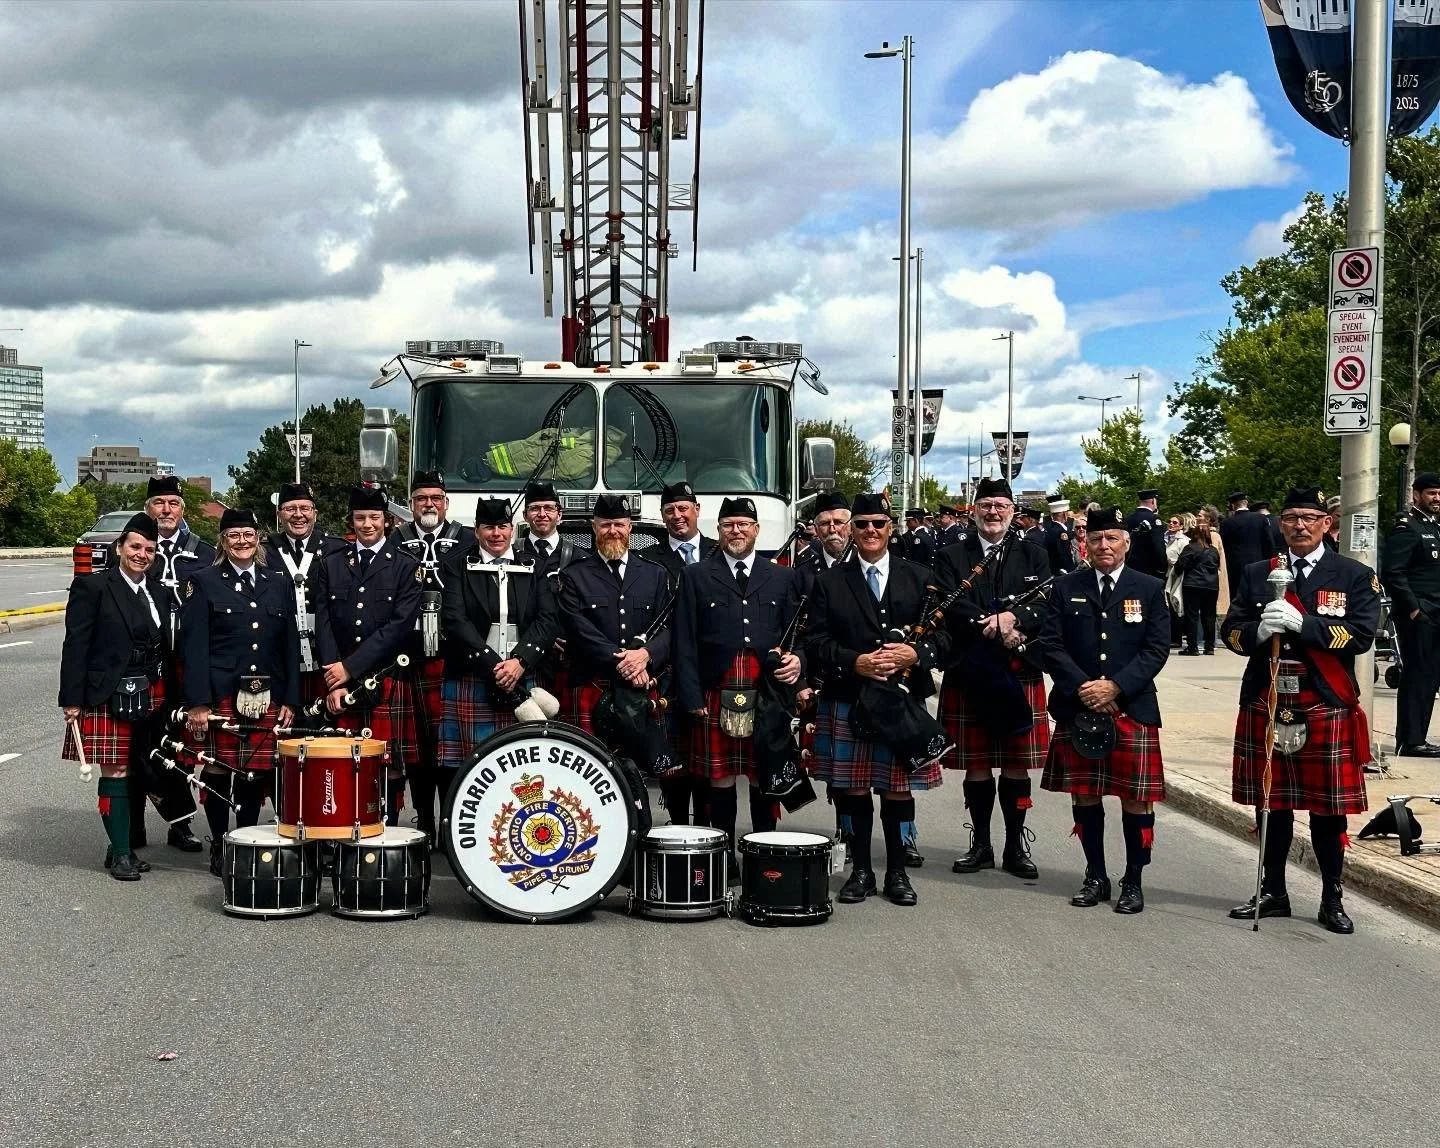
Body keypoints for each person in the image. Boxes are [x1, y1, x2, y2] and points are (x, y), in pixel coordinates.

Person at [1222, 486, 1378, 934]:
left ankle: (1332, 896)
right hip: (1267, 696)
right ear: (1280, 524)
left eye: (1310, 517)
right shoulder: (1257, 573)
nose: (1300, 526)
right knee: (1270, 804)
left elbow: (1363, 635)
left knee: (1328, 811)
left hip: (1323, 697)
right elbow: (1232, 632)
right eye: (1291, 518)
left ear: (1327, 523)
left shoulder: (1351, 574)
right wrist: (1256, 631)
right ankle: (1273, 890)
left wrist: (1305, 625)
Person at [805, 492, 948, 906]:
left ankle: (898, 872)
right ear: (851, 529)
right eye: (862, 524)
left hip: (900, 701)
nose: (870, 531)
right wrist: (857, 662)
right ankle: (862, 871)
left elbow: (946, 638)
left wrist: (916, 654)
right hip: (849, 695)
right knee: (852, 789)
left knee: (897, 790)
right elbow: (815, 642)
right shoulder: (829, 582)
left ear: (891, 528)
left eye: (879, 524)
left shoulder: (920, 577)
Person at [1038, 507, 1171, 914]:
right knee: (1085, 795)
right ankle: (1095, 874)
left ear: (1126, 543)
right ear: (1085, 543)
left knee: (1135, 799)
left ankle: (1134, 878)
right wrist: (1083, 687)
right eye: (1096, 539)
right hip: (1078, 707)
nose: (1104, 546)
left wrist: (1116, 686)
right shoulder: (1065, 587)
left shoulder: (1149, 588)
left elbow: (1156, 648)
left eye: (1112, 538)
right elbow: (1049, 644)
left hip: (1132, 708)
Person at [674, 497, 804, 876]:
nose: (736, 531)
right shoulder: (697, 575)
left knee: (764, 771)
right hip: (718, 684)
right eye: (729, 524)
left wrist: (799, 673)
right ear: (719, 531)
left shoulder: (780, 575)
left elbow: (797, 635)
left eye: (743, 525)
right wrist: (692, 695)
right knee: (720, 776)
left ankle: (764, 851)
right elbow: (685, 641)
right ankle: (723, 855)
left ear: (756, 530)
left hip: (764, 687)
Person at [933, 477, 1052, 881]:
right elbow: (948, 603)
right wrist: (992, 623)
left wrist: (1015, 619)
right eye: (986, 505)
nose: (993, 512)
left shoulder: (1035, 554)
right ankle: (981, 844)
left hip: (1020, 668)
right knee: (978, 766)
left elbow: (1046, 602)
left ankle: (1016, 846)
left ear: (1012, 510)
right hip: (971, 667)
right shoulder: (951, 554)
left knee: (1016, 766)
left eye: (1001, 505)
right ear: (974, 510)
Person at [180, 508, 300, 874]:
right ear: (222, 541)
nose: (242, 541)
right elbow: (194, 647)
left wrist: (291, 698)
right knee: (218, 771)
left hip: (267, 693)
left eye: (248, 534)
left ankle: (244, 839)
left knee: (254, 773)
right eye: (234, 535)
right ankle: (219, 842)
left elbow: (290, 645)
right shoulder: (203, 581)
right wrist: (199, 703)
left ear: (258, 537)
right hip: (222, 693)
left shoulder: (277, 581)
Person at [60, 513, 174, 881]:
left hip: (152, 691)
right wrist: (72, 699)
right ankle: (123, 853)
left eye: (149, 549)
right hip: (108, 690)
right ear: (120, 547)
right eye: (135, 547)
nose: (142, 554)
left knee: (141, 768)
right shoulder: (93, 587)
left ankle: (118, 844)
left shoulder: (158, 589)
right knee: (117, 769)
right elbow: (76, 644)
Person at [313, 486, 423, 825]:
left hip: (386, 674)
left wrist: (350, 667)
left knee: (386, 763)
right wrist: (334, 677)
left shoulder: (405, 566)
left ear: (386, 522)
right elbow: (324, 620)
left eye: (374, 517)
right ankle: (342, 826)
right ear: (352, 520)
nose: (367, 524)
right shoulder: (331, 564)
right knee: (342, 758)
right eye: (360, 518)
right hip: (340, 677)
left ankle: (385, 826)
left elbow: (400, 626)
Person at [437, 498, 558, 805]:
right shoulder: (455, 564)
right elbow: (455, 620)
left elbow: (547, 620)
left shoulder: (534, 564)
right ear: (476, 530)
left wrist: (519, 661)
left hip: (522, 673)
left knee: (525, 766)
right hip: (473, 674)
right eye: (488, 527)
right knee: (471, 768)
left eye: (502, 527)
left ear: (512, 529)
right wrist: (495, 665)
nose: (496, 534)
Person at [390, 471, 468, 839]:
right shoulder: (396, 540)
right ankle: (424, 817)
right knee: (419, 748)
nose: (429, 504)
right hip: (411, 657)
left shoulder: (466, 540)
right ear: (411, 505)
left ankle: (451, 819)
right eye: (421, 498)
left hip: (454, 656)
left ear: (446, 502)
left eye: (436, 498)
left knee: (451, 747)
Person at [555, 494, 671, 736]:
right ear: (594, 526)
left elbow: (667, 626)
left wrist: (645, 656)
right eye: (606, 524)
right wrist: (626, 663)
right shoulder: (574, 575)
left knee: (644, 769)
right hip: (592, 681)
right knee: (587, 766)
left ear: (630, 527)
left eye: (619, 524)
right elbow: (577, 627)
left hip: (641, 682)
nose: (612, 530)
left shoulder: (655, 574)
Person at [141, 474, 212, 854]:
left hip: (187, 660)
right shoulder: (137, 549)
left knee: (182, 746)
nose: (165, 510)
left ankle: (180, 824)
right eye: (158, 503)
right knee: (141, 744)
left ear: (183, 510)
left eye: (172, 504)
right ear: (148, 508)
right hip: (148, 663)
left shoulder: (203, 552)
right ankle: (133, 826)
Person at [267, 481, 346, 711]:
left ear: (315, 513)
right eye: (291, 509)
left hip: (327, 658)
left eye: (305, 508)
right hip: (283, 658)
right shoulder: (265, 552)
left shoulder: (337, 549)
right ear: (279, 514)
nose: (298, 515)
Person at [1380, 471, 1440, 757]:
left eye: (1439, 493)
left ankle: (1418, 736)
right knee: (1418, 676)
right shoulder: (1408, 527)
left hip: (1436, 614)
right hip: (1421, 616)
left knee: (1430, 677)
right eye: (1431, 493)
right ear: (1416, 495)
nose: (1436, 497)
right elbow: (1393, 572)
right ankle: (1411, 740)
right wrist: (1414, 609)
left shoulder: (1435, 526)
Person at [1218, 491, 1281, 599]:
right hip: (1259, 563)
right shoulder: (1261, 519)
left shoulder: (1226, 523)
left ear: (1233, 505)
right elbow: (1269, 544)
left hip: (1235, 568)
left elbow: (1223, 547)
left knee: (1238, 597)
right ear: (1246, 503)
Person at [1175, 522, 1221, 655]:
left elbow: (1180, 566)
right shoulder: (1213, 550)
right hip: (1211, 586)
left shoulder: (1190, 548)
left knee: (1192, 616)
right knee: (1209, 616)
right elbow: (1217, 565)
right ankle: (1209, 646)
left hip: (1193, 584)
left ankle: (1192, 647)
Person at [794, 492, 852, 592]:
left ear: (850, 527)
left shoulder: (867, 567)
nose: (832, 530)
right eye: (825, 523)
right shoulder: (802, 575)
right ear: (816, 530)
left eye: (838, 522)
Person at [517, 480, 578, 574]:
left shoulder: (578, 559)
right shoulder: (512, 557)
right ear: (525, 515)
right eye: (534, 508)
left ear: (559, 515)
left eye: (549, 508)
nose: (542, 514)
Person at [1163, 511, 1195, 649]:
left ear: (1181, 526)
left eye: (1175, 522)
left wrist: (1175, 564)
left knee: (1177, 605)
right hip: (1168, 575)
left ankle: (1178, 637)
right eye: (1170, 521)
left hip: (1178, 576)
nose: (1171, 524)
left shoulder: (1183, 541)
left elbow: (1185, 559)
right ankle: (1174, 636)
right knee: (1170, 606)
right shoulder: (1168, 539)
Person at [1123, 488, 1167, 580]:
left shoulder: (1127, 518)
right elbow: (1158, 545)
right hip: (1148, 568)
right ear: (1153, 501)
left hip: (1128, 564)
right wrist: (1162, 566)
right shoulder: (1154, 519)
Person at [1043, 496, 1076, 576]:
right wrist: (1071, 570)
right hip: (1064, 573)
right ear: (1065, 514)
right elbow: (1064, 555)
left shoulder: (1050, 529)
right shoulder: (1061, 532)